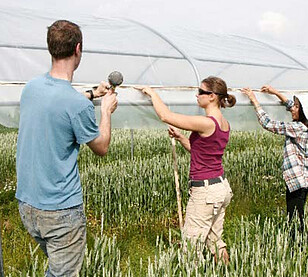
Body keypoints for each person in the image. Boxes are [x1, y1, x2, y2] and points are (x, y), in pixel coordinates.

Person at [16, 20, 118, 276]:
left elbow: (58, 102)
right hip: (60, 211)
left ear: (51, 48)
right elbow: (102, 147)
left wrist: (92, 93)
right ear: (78, 49)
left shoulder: (31, 88)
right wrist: (105, 111)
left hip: (27, 205)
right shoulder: (76, 105)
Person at [136, 76, 236, 264]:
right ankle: (228, 270)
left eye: (201, 92)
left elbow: (166, 116)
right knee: (215, 241)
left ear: (212, 96)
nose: (197, 95)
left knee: (191, 248)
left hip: (205, 193)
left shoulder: (207, 122)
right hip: (220, 188)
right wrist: (182, 138)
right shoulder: (224, 123)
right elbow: (202, 152)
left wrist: (152, 93)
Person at [241, 85, 308, 237]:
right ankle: (299, 243)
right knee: (297, 214)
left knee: (294, 217)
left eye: (296, 106)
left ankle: (297, 246)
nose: (292, 108)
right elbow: (291, 105)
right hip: (307, 177)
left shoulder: (297, 128)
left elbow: (268, 124)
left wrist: (254, 100)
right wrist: (275, 92)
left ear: (302, 111)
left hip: (298, 179)